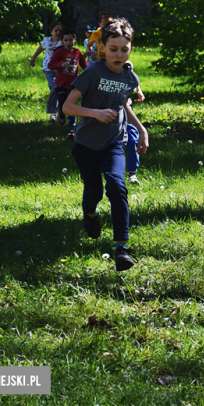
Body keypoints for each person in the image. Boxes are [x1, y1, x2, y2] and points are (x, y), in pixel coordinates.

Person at [62, 18, 149, 271]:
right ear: (101, 47)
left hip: (114, 141)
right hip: (87, 144)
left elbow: (124, 103)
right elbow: (68, 106)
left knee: (117, 186)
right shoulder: (92, 72)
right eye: (113, 49)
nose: (119, 54)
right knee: (94, 192)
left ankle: (122, 247)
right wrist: (95, 113)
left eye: (125, 49)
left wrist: (141, 129)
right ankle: (90, 214)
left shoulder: (129, 76)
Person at [47, 28, 87, 140]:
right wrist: (60, 64)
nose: (68, 43)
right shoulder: (59, 52)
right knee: (62, 104)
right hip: (60, 83)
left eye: (70, 40)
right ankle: (61, 112)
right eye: (66, 40)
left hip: (74, 84)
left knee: (72, 106)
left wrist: (92, 72)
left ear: (74, 39)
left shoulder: (78, 52)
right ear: (62, 40)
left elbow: (84, 66)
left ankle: (71, 131)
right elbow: (51, 65)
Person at [28, 21, 63, 121]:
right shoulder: (47, 40)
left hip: (60, 68)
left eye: (60, 31)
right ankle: (52, 113)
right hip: (49, 69)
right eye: (55, 30)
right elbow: (40, 49)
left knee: (58, 90)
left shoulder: (63, 42)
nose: (57, 32)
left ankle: (60, 112)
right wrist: (33, 58)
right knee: (53, 87)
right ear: (51, 32)